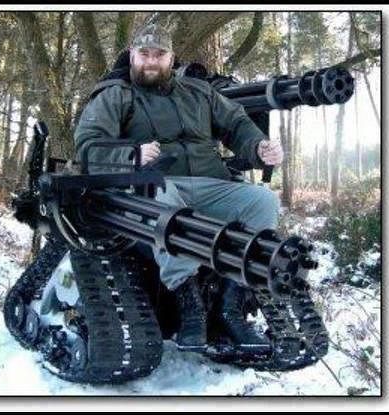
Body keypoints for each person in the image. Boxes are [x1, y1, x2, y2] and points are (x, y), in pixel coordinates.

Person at [74, 24, 283, 351]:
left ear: (171, 58)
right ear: (132, 55)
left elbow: (237, 124)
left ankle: (231, 305)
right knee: (162, 199)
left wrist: (258, 147)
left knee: (263, 201)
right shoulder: (115, 95)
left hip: (210, 183)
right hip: (152, 185)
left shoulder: (199, 93)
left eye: (159, 55)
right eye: (144, 54)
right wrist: (131, 155)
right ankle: (189, 304)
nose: (151, 61)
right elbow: (88, 145)